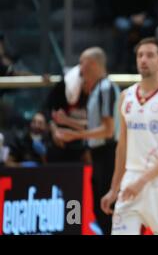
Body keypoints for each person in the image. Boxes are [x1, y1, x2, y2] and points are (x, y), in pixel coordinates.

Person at [100, 38, 158, 235]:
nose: (143, 60)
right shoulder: (125, 96)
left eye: (150, 55)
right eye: (140, 55)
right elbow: (122, 146)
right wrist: (114, 188)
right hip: (131, 179)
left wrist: (142, 181)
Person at [56, 47, 120, 235]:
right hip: (100, 155)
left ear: (92, 63)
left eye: (82, 62)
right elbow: (94, 125)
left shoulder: (106, 88)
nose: (80, 68)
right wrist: (67, 122)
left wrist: (74, 136)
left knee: (107, 209)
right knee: (100, 208)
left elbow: (107, 131)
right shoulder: (98, 89)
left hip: (109, 154)